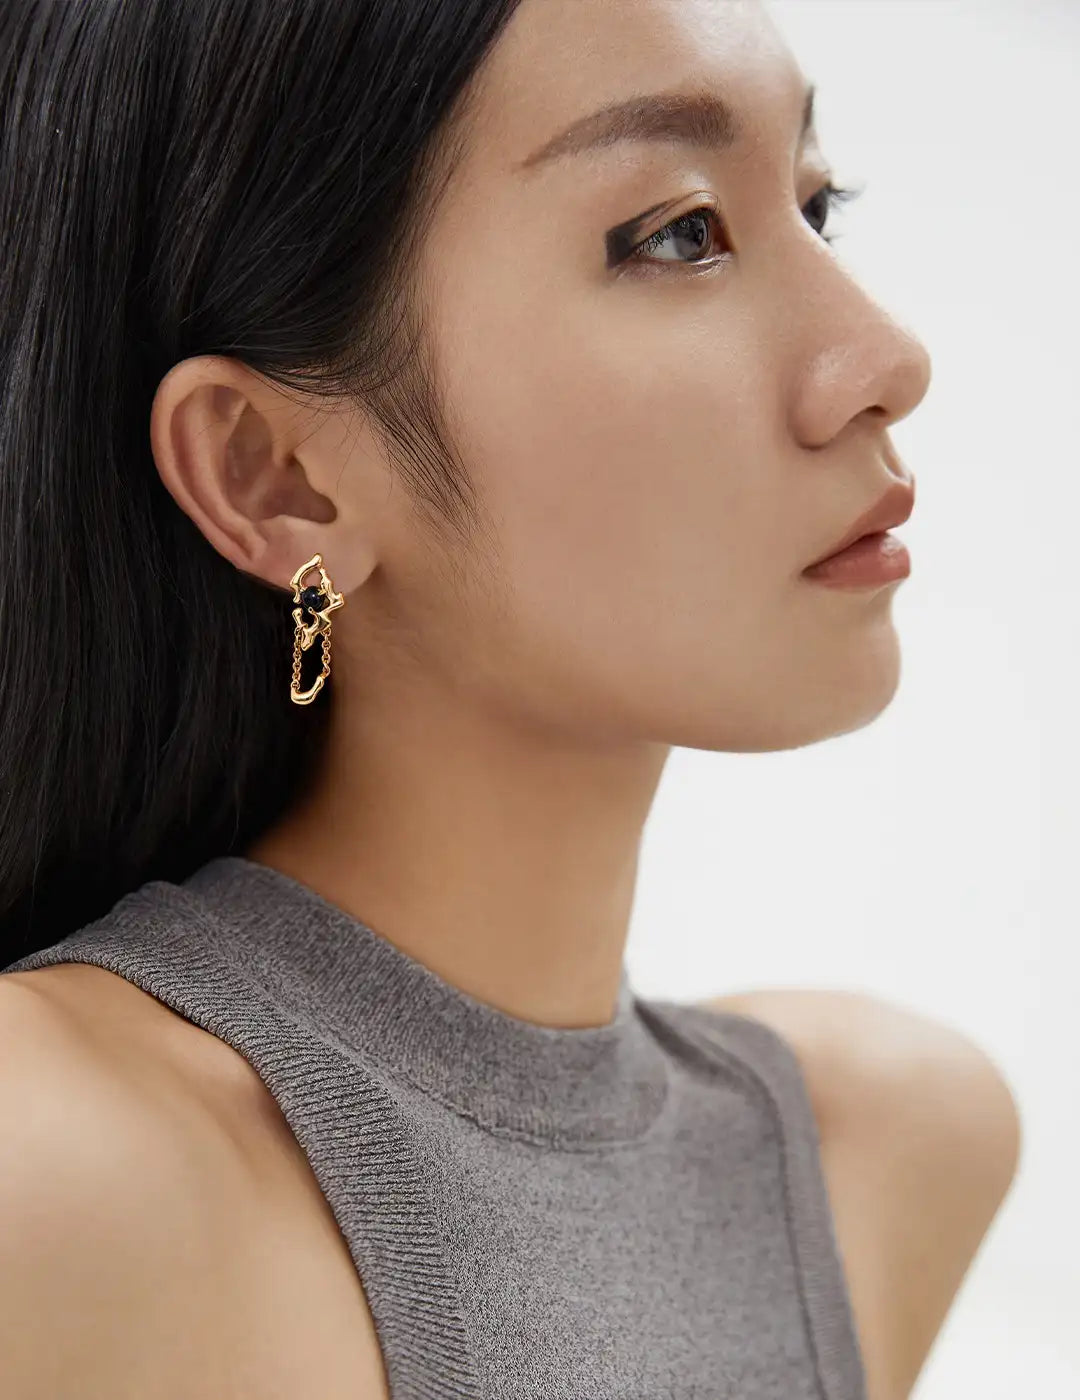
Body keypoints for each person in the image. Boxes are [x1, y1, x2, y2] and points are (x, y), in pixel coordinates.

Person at [0, 1, 1021, 1397]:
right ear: (274, 476)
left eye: (815, 204)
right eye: (678, 233)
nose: (886, 360)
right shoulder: (51, 1158)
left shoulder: (878, 1158)